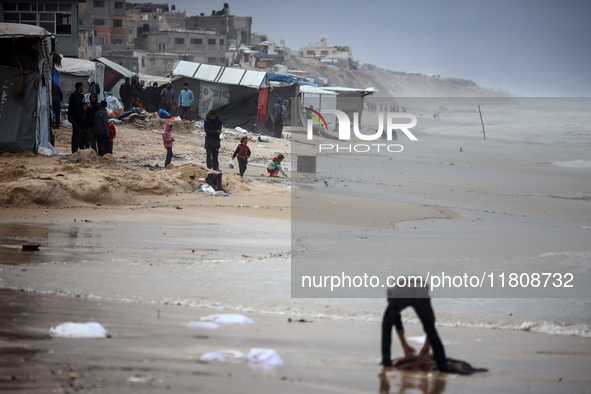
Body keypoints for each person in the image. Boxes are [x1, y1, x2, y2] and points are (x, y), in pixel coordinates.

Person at [381, 278, 450, 373]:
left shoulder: (391, 290)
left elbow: (396, 319)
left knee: (386, 324)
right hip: (421, 290)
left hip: (403, 291)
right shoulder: (424, 285)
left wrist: (404, 345)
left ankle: (387, 364)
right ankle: (443, 367)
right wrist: (427, 345)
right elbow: (431, 318)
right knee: (431, 329)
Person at [68, 82, 85, 153]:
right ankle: (75, 151)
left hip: (74, 118)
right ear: (80, 87)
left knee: (76, 134)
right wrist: (81, 118)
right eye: (82, 87)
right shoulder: (76, 97)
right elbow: (76, 109)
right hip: (76, 119)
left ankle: (75, 150)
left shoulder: (75, 96)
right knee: (76, 135)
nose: (83, 88)